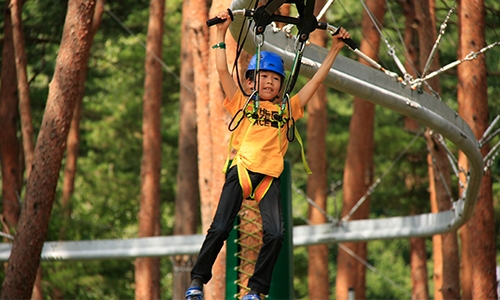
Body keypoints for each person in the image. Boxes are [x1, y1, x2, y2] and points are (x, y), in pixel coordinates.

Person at [185, 9, 350, 300]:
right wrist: (220, 34)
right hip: (243, 170)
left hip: (269, 177)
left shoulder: (288, 109)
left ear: (281, 85)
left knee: (276, 234)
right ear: (251, 81)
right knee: (221, 226)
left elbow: (315, 82)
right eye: (263, 77)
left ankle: (256, 291)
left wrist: (334, 49)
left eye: (275, 79)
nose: (270, 83)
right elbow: (223, 71)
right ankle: (197, 280)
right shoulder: (242, 103)